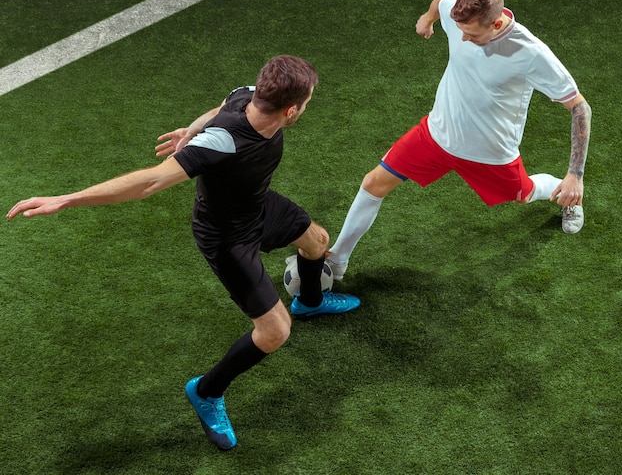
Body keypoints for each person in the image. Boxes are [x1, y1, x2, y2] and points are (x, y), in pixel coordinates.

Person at [6, 55, 360, 450]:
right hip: (226, 237)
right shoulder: (223, 142)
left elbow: (220, 106)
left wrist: (188, 132)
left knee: (316, 240)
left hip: (255, 205)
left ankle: (310, 301)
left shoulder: (249, 94)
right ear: (291, 109)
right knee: (275, 332)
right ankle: (206, 392)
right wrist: (67, 199)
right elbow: (149, 182)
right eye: (308, 103)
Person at [326, 0, 591, 281]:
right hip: (436, 135)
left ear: (497, 22)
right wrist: (427, 20)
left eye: (472, 33)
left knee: (525, 194)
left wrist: (575, 175)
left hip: (490, 154)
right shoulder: (459, 16)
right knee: (373, 183)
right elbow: (441, 2)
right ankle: (337, 260)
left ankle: (570, 196)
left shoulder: (531, 53)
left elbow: (580, 108)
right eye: (460, 30)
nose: (462, 38)